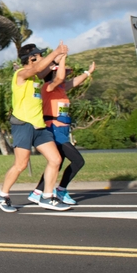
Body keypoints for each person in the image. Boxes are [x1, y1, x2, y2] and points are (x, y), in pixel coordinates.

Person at [0, 43, 72, 213]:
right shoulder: (20, 74)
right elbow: (35, 70)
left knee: (55, 160)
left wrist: (60, 57)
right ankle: (2, 194)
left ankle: (47, 196)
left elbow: (53, 75)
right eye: (39, 55)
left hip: (39, 126)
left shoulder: (36, 78)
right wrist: (55, 52)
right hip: (24, 125)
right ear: (31, 58)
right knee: (21, 164)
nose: (42, 56)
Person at [27, 55, 96, 206]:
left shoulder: (62, 88)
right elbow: (59, 78)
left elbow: (75, 81)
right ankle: (61, 190)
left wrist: (88, 72)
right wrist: (62, 58)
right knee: (78, 161)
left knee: (57, 161)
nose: (65, 77)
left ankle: (37, 192)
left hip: (63, 130)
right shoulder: (48, 87)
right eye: (63, 73)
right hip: (54, 129)